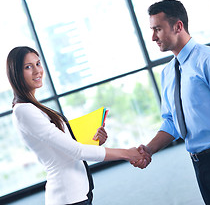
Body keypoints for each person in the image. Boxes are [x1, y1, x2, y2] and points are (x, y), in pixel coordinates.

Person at [132, 0, 210, 205]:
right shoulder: (168, 73)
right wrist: (148, 150)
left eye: (158, 29)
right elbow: (172, 122)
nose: (153, 37)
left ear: (178, 26)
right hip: (200, 163)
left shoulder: (209, 60)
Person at [6, 46, 149, 205]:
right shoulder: (24, 111)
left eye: (38, 64)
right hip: (68, 196)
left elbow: (64, 148)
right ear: (16, 73)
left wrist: (94, 141)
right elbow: (76, 151)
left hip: (77, 193)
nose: (37, 71)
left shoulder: (33, 107)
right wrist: (127, 153)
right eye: (28, 67)